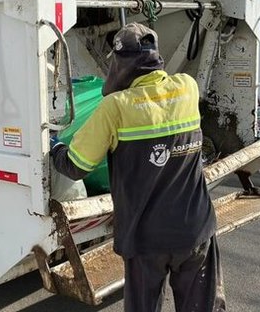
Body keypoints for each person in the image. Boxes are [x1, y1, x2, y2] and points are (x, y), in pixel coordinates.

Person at [51, 22, 225, 312]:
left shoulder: (115, 108)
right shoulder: (187, 87)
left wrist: (55, 146)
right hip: (195, 229)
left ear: (120, 64)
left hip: (146, 238)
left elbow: (76, 166)